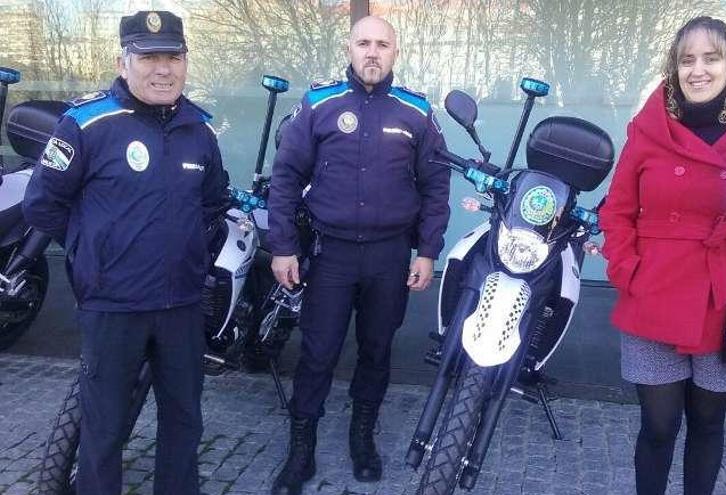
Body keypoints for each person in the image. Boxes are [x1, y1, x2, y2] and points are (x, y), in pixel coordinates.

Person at [22, 11, 228, 495]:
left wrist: (189, 253)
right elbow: (43, 205)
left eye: (173, 57)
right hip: (113, 306)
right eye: (149, 56)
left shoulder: (199, 130)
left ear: (185, 61)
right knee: (104, 430)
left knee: (184, 423)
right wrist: (93, 253)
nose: (163, 69)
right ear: (123, 60)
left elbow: (214, 202)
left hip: (181, 305)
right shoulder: (86, 123)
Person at [600, 16, 726, 495]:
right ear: (674, 66)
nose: (698, 70)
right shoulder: (650, 125)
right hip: (654, 294)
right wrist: (628, 271)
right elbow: (617, 210)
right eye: (687, 59)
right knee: (657, 424)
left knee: (709, 422)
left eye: (711, 58)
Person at [267, 15, 450, 495]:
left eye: (382, 45)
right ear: (348, 48)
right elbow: (285, 177)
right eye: (363, 43)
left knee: (376, 351)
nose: (373, 52)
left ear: (395, 52)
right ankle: (301, 447)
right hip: (331, 255)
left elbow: (436, 186)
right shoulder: (318, 104)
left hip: (390, 257)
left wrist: (427, 251)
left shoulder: (416, 111)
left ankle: (362, 436)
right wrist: (283, 245)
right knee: (317, 353)